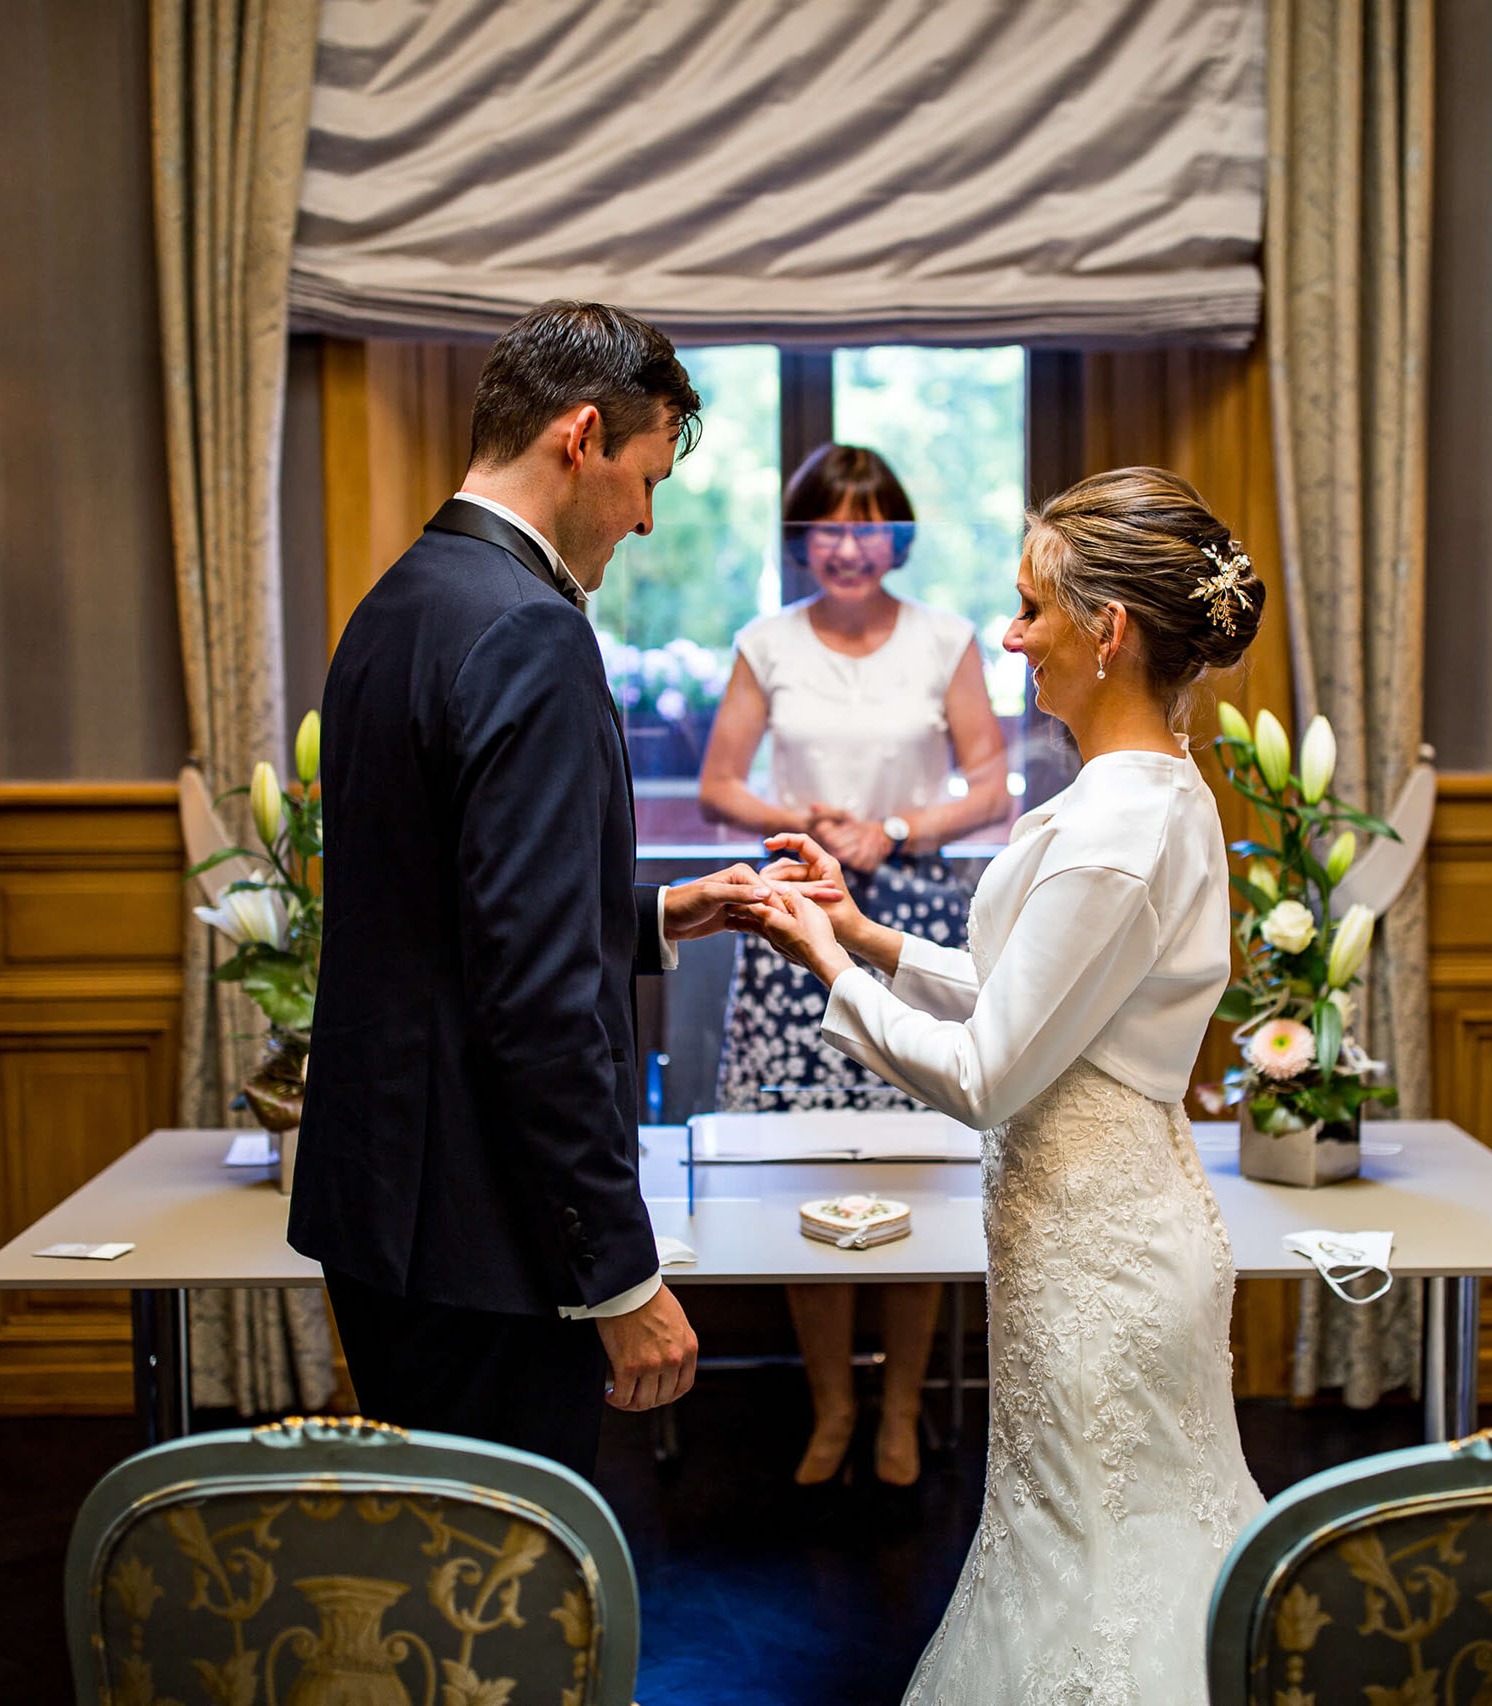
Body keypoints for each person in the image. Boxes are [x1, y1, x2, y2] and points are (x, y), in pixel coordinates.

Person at [734, 467, 1267, 1703]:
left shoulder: (1117, 829)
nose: (1014, 636)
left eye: (1031, 609)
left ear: (1109, 629)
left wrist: (821, 963)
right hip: (1082, 1231)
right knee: (1077, 1550)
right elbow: (1021, 991)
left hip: (1103, 1254)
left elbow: (986, 1074)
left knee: (1106, 1567)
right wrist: (866, 935)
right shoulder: (1134, 796)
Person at [291, 301, 776, 1479]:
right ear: (583, 435)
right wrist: (619, 1270)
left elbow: (441, 912)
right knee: (517, 1610)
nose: (648, 520)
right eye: (646, 478)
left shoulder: (400, 598)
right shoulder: (530, 633)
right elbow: (537, 1004)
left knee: (431, 1585)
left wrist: (654, 917)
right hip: (489, 1238)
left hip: (388, 1218)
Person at [698, 442, 1011, 1487]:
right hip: (795, 909)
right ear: (801, 542)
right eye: (825, 526)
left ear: (898, 536)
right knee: (808, 1171)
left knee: (913, 1165)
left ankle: (899, 1413)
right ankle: (831, 1407)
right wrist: (808, 819)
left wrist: (895, 824)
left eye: (866, 523)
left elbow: (991, 784)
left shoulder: (947, 637)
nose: (845, 544)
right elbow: (718, 786)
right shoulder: (765, 641)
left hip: (912, 910)